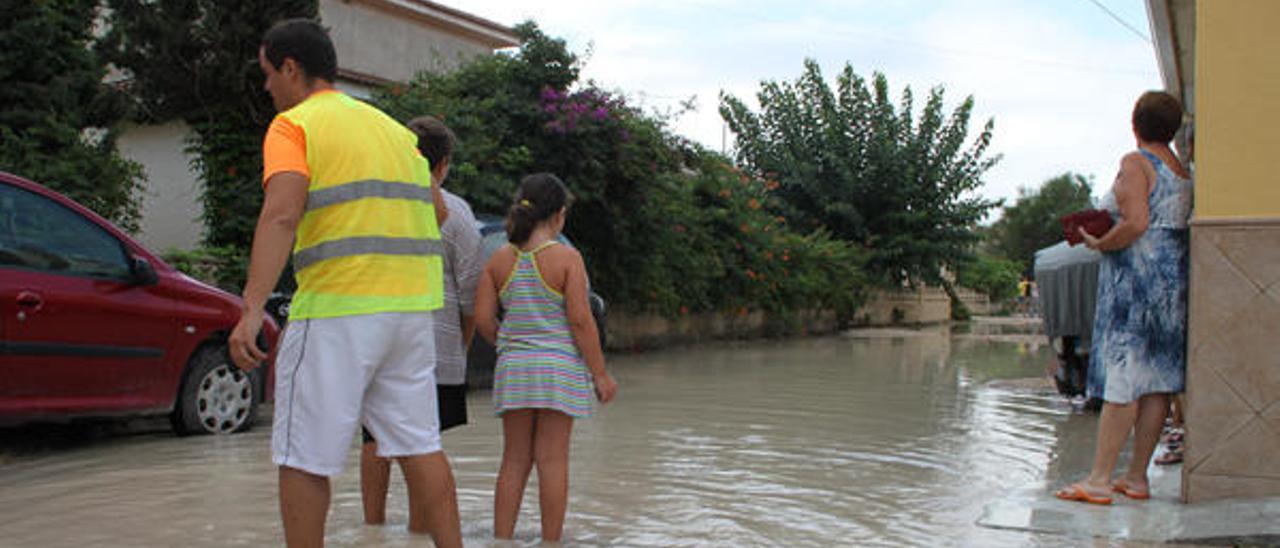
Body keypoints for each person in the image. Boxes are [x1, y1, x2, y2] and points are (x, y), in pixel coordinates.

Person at [226, 19, 461, 547]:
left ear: (291, 68)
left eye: (268, 75)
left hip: (336, 310)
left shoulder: (295, 126)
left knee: (303, 455)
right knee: (420, 446)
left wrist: (250, 310)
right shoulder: (395, 132)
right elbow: (439, 211)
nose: (267, 88)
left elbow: (281, 215)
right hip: (409, 313)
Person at [1055, 91, 1192, 505]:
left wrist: (1100, 243)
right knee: (1157, 386)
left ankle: (1098, 480)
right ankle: (1136, 478)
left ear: (1135, 123)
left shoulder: (1136, 163)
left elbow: (1135, 223)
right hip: (1172, 287)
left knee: (1123, 381)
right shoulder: (1181, 169)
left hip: (1135, 287)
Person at [474, 173, 618, 542]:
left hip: (514, 368)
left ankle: (502, 539)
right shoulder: (567, 258)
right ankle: (551, 541)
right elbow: (581, 320)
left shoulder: (498, 259)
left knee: (514, 459)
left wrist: (508, 344)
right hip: (558, 369)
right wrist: (600, 373)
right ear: (558, 216)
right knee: (552, 460)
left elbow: (482, 319)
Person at [360, 116, 485, 525]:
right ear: (444, 163)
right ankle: (419, 529)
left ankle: (373, 526)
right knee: (423, 442)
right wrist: (460, 349)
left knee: (374, 438)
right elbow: (470, 295)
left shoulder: (374, 207)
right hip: (433, 345)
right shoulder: (457, 215)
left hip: (375, 336)